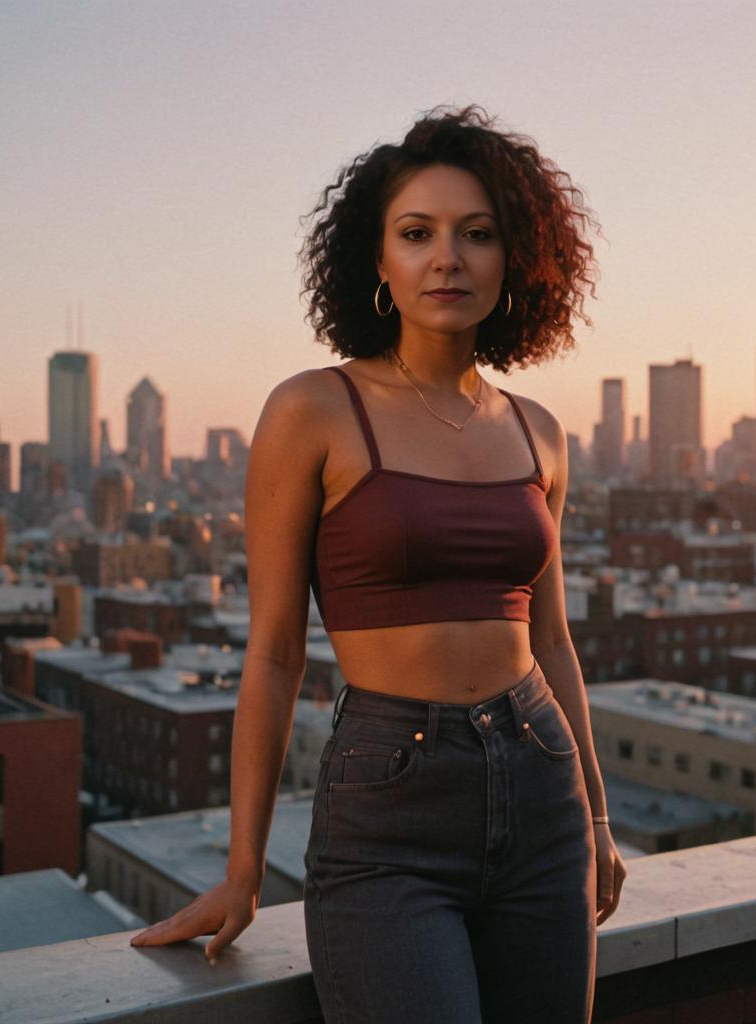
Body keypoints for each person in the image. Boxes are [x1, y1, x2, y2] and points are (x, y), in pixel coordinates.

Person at [130, 103, 628, 1023]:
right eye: (417, 233)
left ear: (513, 260)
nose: (449, 257)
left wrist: (597, 816)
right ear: (378, 259)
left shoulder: (541, 434)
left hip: (542, 787)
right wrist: (242, 873)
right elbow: (275, 651)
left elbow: (552, 644)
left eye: (478, 234)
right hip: (388, 807)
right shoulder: (313, 411)